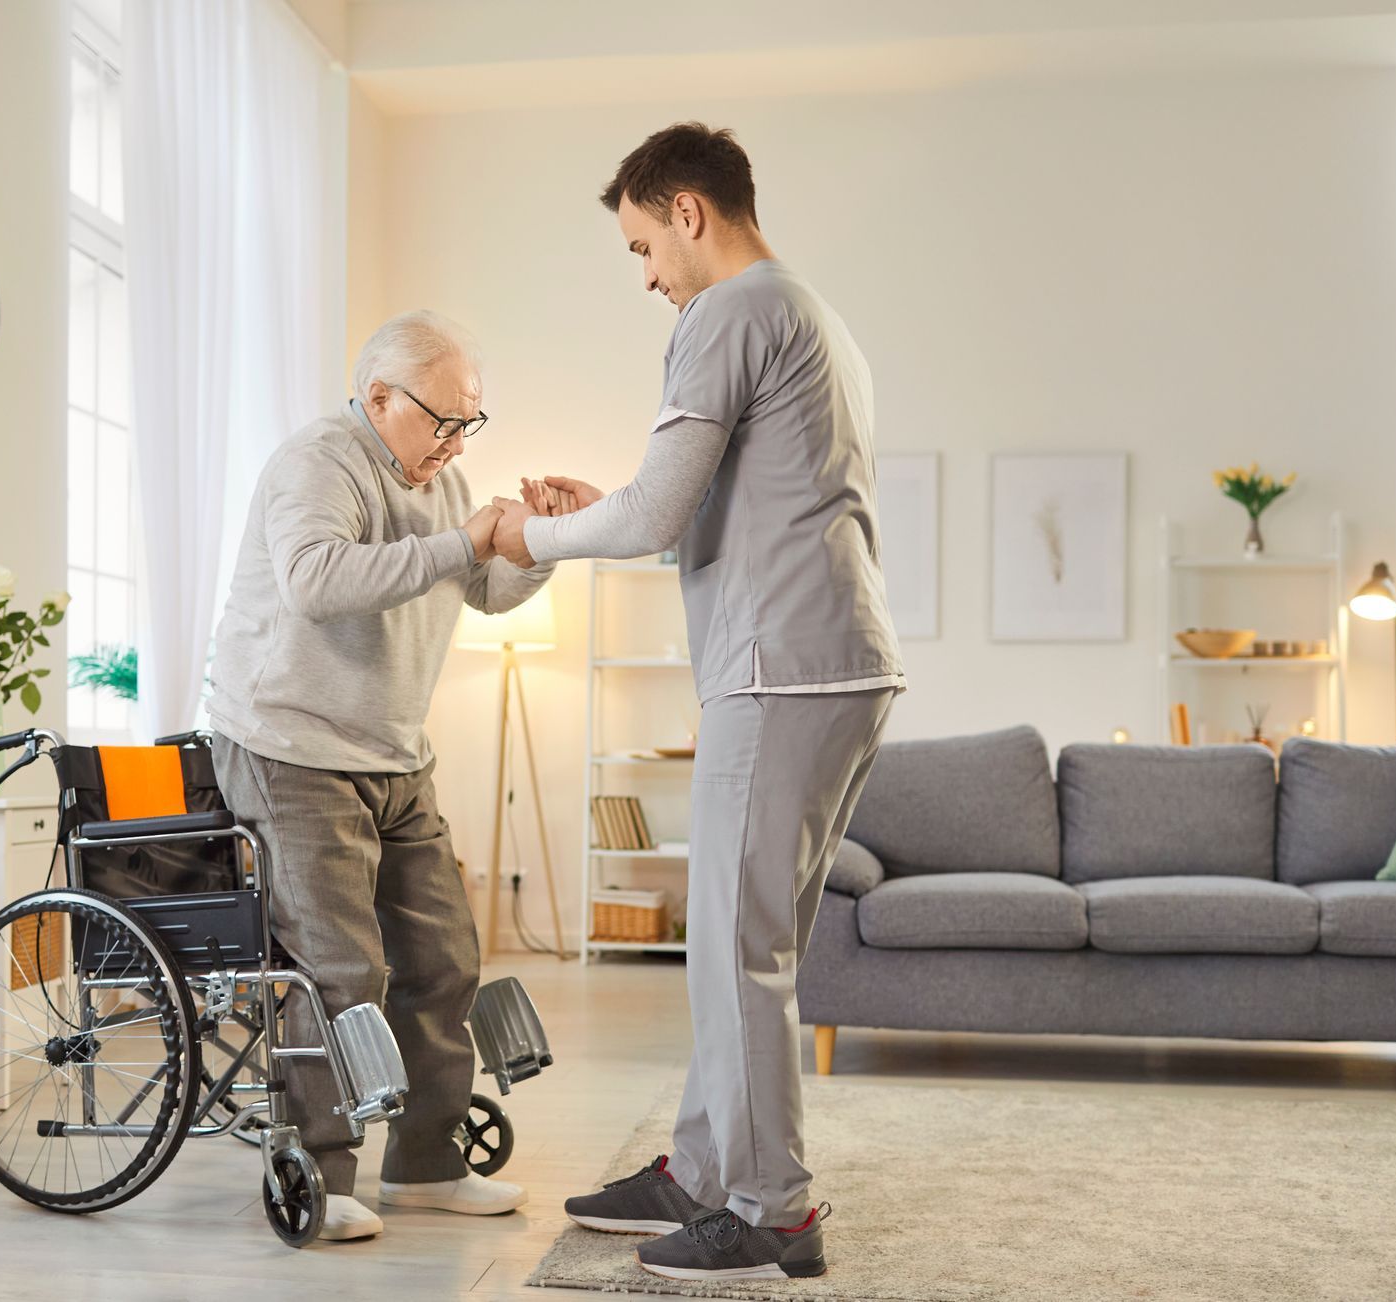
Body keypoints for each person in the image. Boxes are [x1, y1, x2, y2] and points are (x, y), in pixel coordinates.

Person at [491, 122, 905, 1283]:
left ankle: (772, 1209)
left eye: (641, 247)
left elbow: (650, 519)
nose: (647, 277)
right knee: (742, 941)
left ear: (687, 210)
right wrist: (602, 504)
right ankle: (699, 1168)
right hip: (835, 661)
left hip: (781, 670)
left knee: (735, 952)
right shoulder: (810, 316)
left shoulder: (722, 313)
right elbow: (697, 498)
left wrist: (536, 532)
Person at [205, 310, 552, 1241]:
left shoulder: (446, 480)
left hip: (394, 751)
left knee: (445, 960)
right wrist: (468, 543)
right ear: (378, 399)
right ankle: (322, 1172)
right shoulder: (319, 463)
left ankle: (429, 1165)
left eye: (469, 422)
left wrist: (542, 543)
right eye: (443, 419)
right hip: (292, 747)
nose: (455, 440)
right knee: (340, 968)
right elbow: (318, 581)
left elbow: (482, 589)